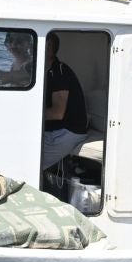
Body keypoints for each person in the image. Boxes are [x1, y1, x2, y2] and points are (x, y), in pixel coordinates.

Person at [38, 31, 90, 172]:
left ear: (48, 46)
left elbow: (57, 113)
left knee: (30, 161)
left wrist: (30, 114)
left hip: (67, 131)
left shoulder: (59, 72)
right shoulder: (44, 71)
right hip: (53, 129)